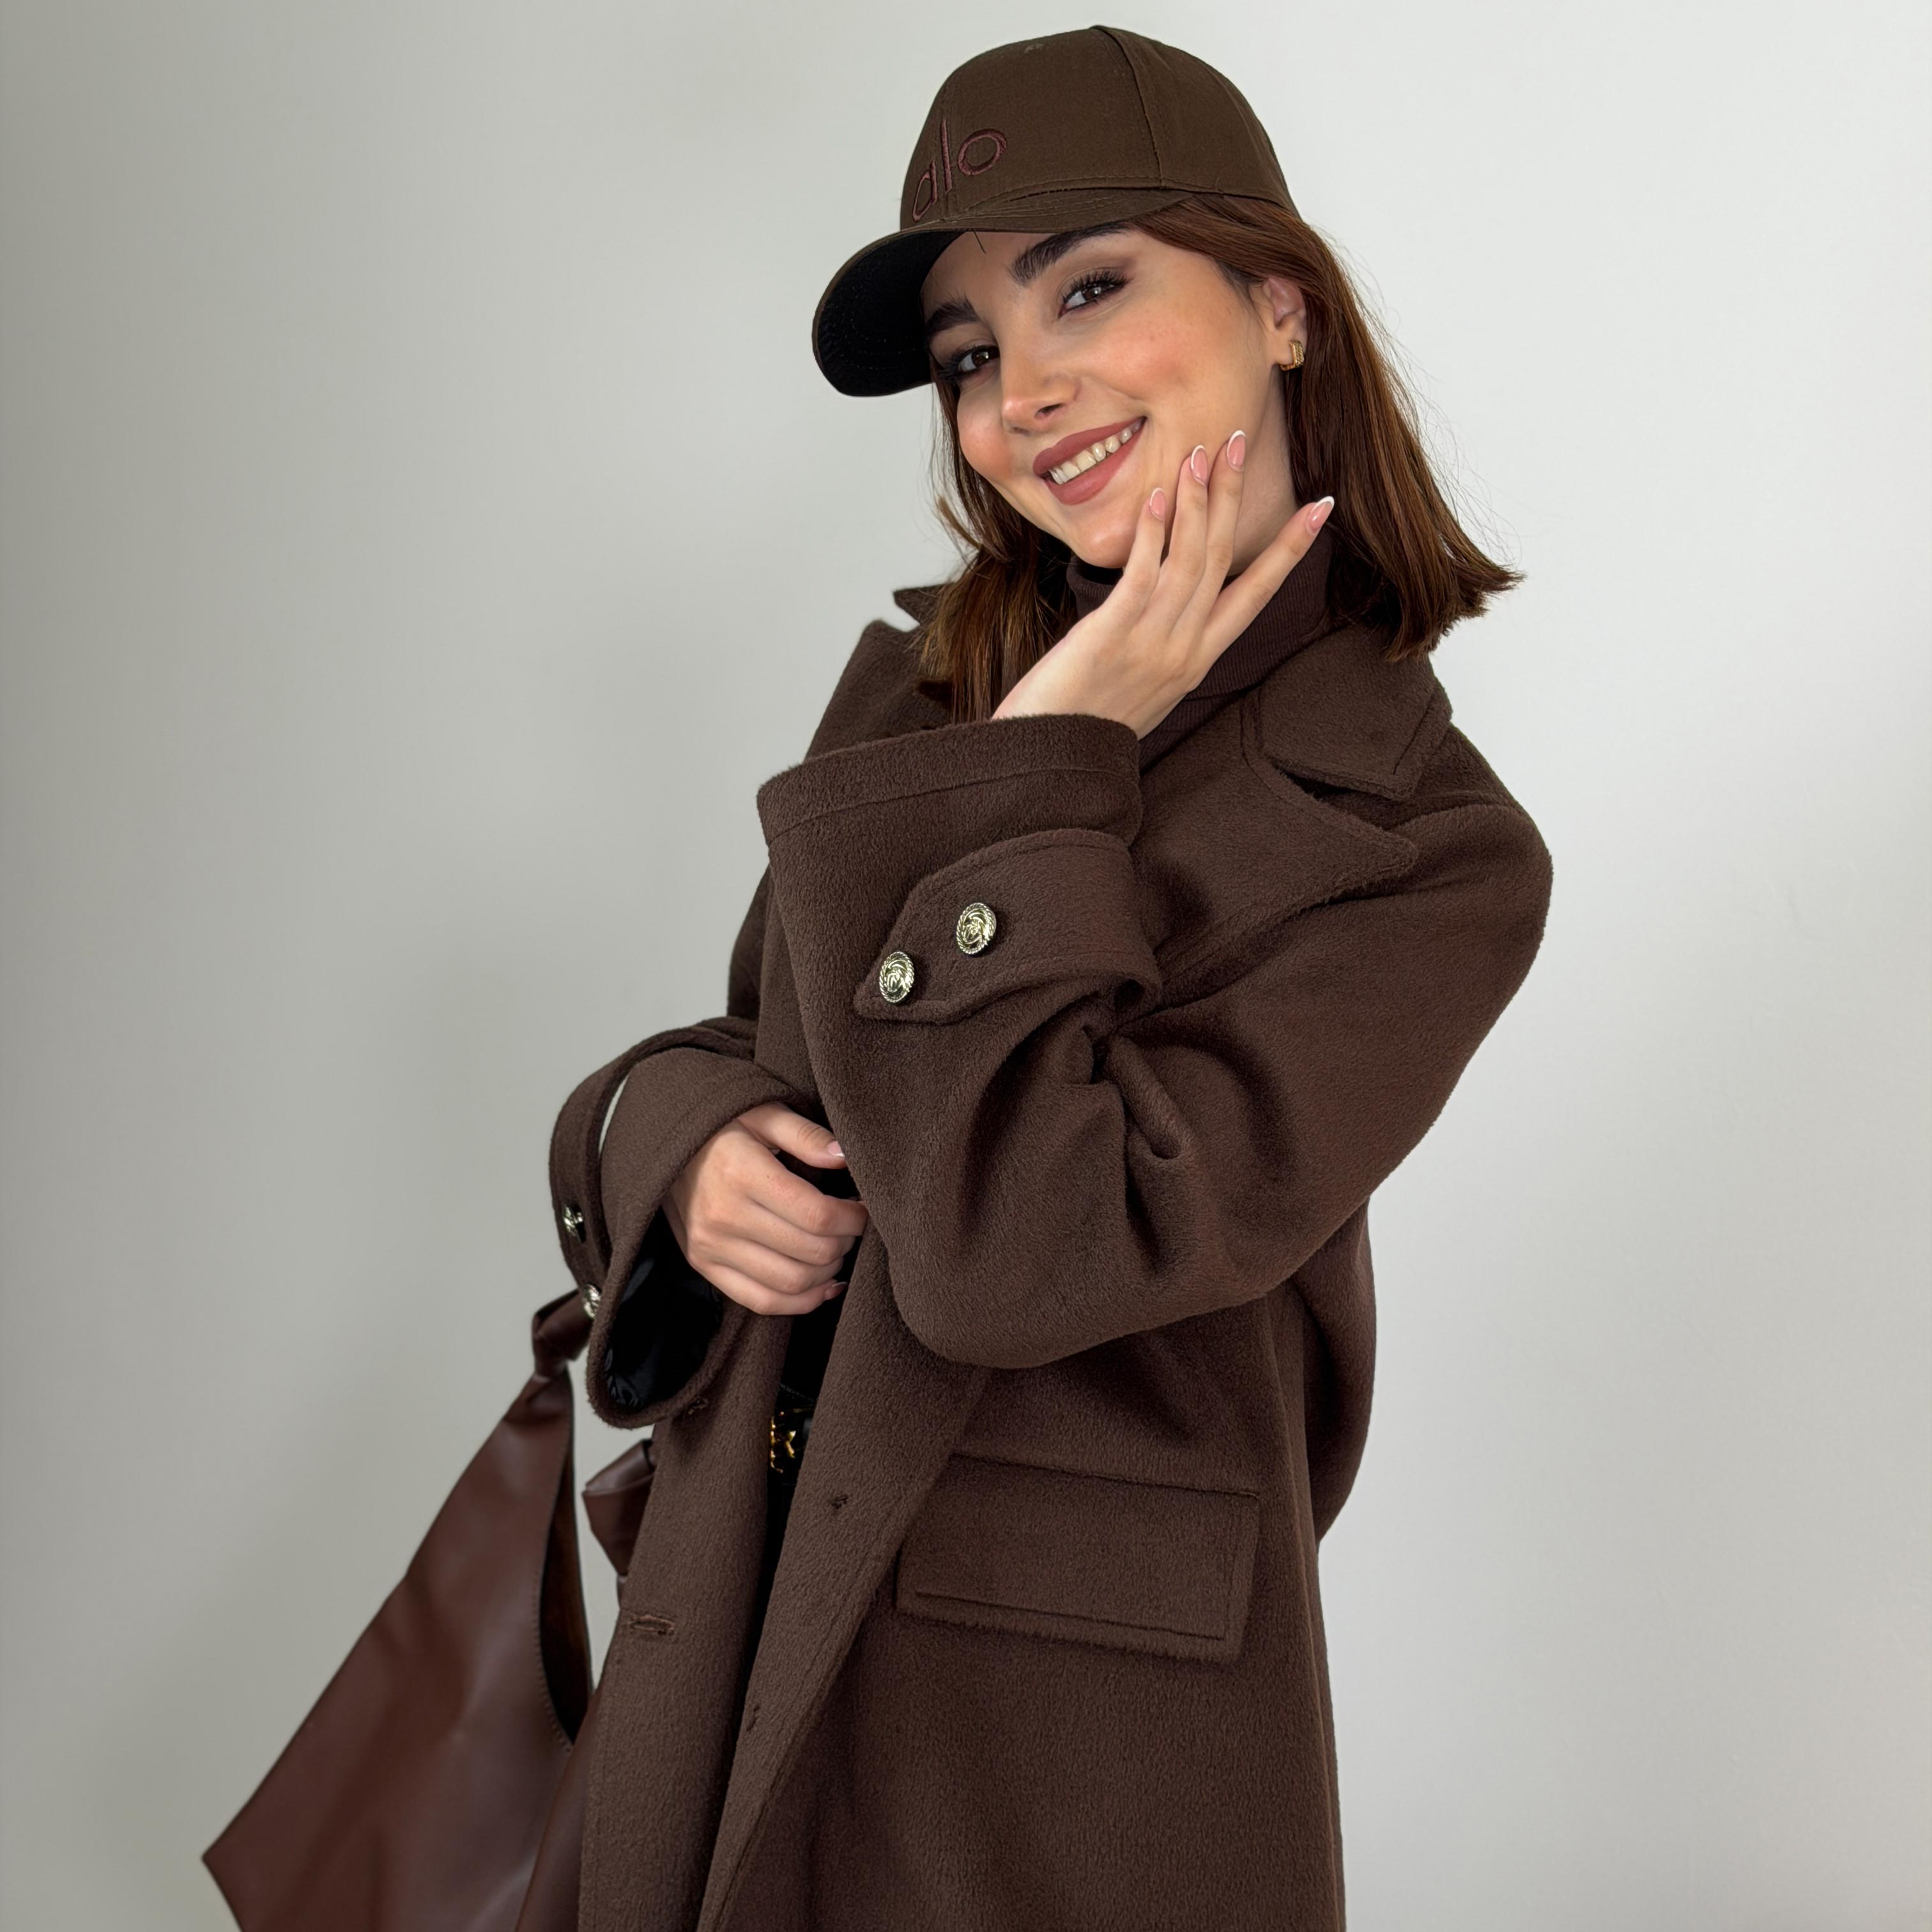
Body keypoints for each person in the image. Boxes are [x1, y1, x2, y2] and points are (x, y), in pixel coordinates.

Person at [549, 26, 1553, 1930]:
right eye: (968, 356)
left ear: (1279, 305)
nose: (1023, 393)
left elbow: (1024, 1257)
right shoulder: (929, 694)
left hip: (1059, 1750)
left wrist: (1046, 770)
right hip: (743, 1612)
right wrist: (682, 1145)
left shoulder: (1423, 847)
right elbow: (759, 1045)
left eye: (1088, 287)